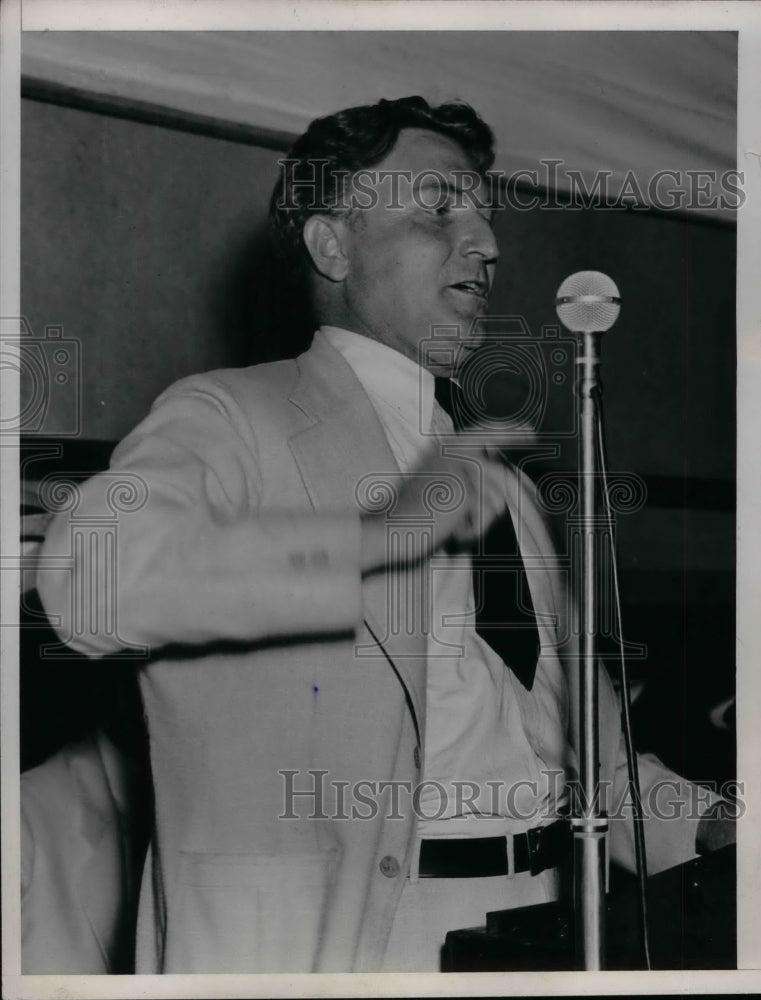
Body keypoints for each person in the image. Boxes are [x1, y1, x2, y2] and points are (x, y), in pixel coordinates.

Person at [35, 96, 733, 974]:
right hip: (346, 950)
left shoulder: (500, 487)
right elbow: (88, 585)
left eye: (483, 214)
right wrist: (377, 537)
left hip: (544, 932)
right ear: (332, 246)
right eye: (439, 209)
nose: (486, 242)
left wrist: (713, 822)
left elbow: (586, 755)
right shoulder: (229, 415)